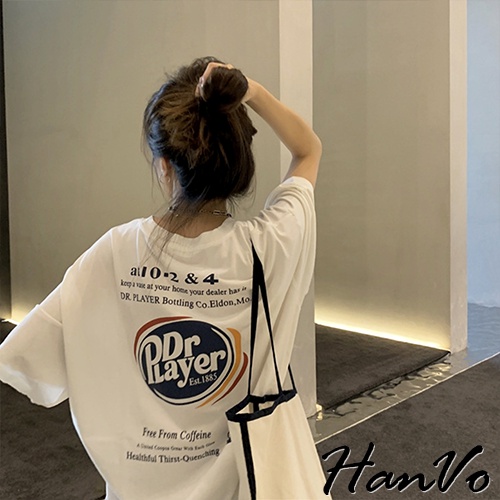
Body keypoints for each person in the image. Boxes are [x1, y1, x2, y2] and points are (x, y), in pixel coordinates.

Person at [0, 56, 322, 499]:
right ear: (238, 162)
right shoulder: (272, 246)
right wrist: (252, 92)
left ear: (165, 166)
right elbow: (308, 149)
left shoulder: (116, 252)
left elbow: (31, 355)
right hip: (250, 482)